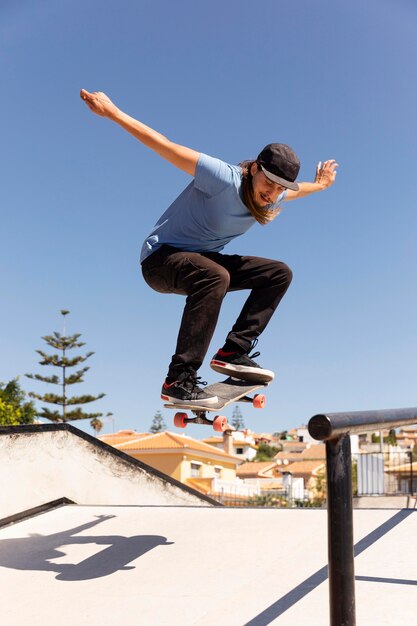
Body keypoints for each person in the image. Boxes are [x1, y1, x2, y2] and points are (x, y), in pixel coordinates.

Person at [80, 89, 338, 406]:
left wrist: (322, 185)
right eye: (269, 183)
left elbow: (300, 191)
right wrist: (114, 113)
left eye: (279, 189)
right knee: (216, 276)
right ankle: (179, 380)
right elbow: (166, 147)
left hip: (200, 262)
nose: (272, 194)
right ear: (256, 169)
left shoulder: (277, 194)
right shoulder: (223, 178)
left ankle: (233, 351)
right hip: (160, 260)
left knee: (278, 273)